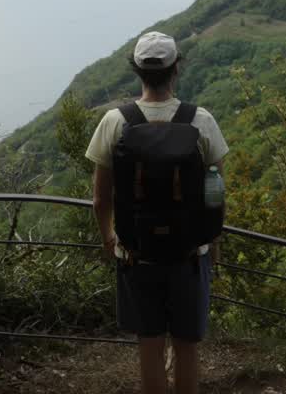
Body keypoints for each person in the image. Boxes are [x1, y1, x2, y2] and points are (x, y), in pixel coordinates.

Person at [87, 31, 228, 394]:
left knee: (149, 344)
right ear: (176, 68)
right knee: (186, 347)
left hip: (136, 254)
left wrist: (108, 238)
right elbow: (216, 193)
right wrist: (212, 241)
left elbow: (101, 198)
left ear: (137, 70)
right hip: (190, 255)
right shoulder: (201, 120)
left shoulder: (115, 122)